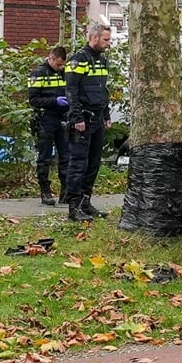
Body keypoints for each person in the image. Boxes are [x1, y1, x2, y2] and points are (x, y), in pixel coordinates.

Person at [62, 22, 114, 220]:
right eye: (106, 39)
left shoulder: (101, 61)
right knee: (78, 164)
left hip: (98, 118)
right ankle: (73, 207)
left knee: (93, 163)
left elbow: (103, 90)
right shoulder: (79, 59)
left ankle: (85, 202)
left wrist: (106, 114)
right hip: (83, 118)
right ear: (94, 38)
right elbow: (71, 90)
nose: (109, 43)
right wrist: (76, 117)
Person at [27, 46, 71, 206]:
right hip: (45, 118)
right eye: (58, 64)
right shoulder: (39, 74)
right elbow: (33, 100)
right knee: (45, 157)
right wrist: (54, 101)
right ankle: (45, 191)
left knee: (66, 155)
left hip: (62, 118)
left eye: (62, 65)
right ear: (50, 58)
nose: (60, 67)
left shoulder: (63, 73)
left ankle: (65, 192)